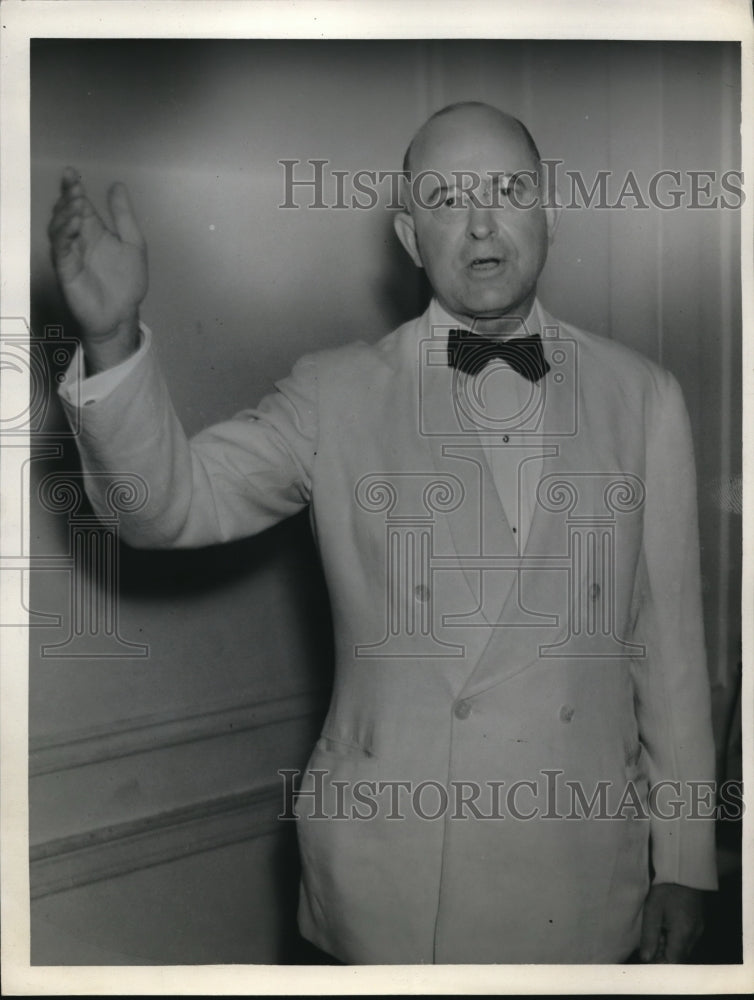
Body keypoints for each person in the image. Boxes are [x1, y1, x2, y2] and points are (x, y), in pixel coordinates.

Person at [48, 101, 717, 964]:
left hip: (579, 875)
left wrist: (687, 862)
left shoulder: (643, 396)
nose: (481, 223)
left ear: (549, 210)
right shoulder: (336, 392)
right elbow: (167, 507)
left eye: (508, 190)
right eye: (445, 198)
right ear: (410, 238)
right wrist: (111, 339)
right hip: (387, 884)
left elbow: (670, 656)